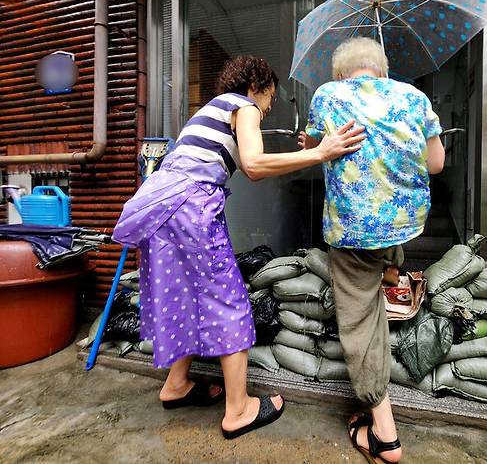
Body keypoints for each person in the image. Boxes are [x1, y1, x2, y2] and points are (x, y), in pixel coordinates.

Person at [112, 55, 365, 439]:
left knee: (186, 296)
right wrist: (319, 153)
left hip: (159, 206)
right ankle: (238, 410)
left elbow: (243, 156)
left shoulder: (210, 110)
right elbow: (253, 164)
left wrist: (303, 148)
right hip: (190, 206)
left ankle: (177, 384)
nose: (266, 111)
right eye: (270, 99)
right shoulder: (243, 106)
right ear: (255, 87)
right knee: (229, 300)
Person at [299, 37, 445, 464]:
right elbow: (435, 164)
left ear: (342, 73)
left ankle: (384, 434)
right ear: (381, 69)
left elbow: (311, 149)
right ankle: (391, 272)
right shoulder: (414, 96)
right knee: (385, 250)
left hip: (353, 229)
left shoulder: (329, 95)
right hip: (404, 223)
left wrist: (310, 142)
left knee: (359, 318)